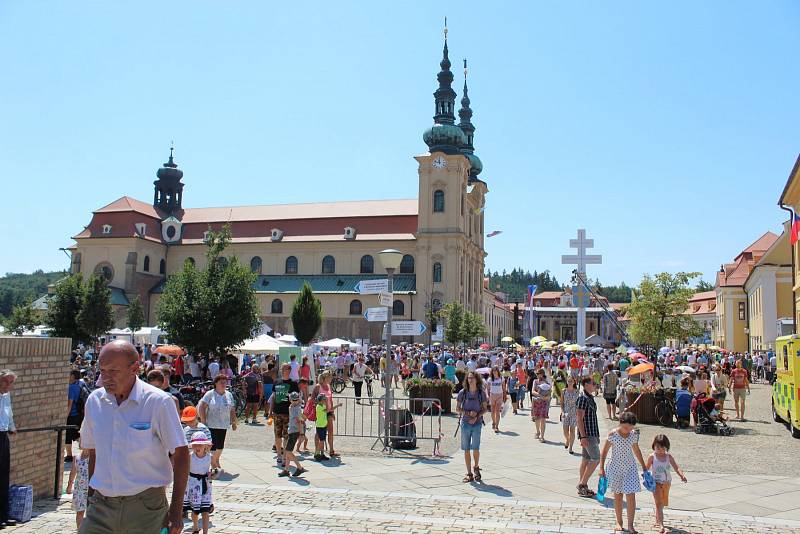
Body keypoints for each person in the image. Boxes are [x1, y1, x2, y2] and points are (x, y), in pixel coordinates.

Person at [78, 341, 188, 534]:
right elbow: (93, 452)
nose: (105, 378)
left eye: (113, 371)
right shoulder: (95, 401)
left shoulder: (158, 402)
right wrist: (90, 497)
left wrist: (176, 510)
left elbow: (181, 453)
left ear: (135, 369)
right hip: (101, 505)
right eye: (102, 371)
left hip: (145, 508)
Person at [598, 411, 648, 534]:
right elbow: (604, 452)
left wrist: (644, 466)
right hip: (615, 469)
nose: (627, 430)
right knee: (618, 496)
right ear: (620, 423)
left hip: (630, 469)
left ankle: (630, 525)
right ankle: (619, 522)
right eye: (625, 427)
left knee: (631, 496)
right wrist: (601, 468)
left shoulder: (633, 435)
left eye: (630, 428)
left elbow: (636, 450)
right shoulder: (613, 435)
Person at [646, 434, 687, 533]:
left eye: (662, 448)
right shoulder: (652, 457)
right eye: (658, 447)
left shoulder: (668, 457)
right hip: (656, 483)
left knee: (661, 502)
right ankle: (661, 525)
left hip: (667, 483)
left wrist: (681, 475)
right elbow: (646, 469)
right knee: (659, 502)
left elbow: (676, 467)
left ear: (667, 447)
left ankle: (657, 519)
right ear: (654, 446)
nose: (660, 450)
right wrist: (646, 478)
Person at [198, 375, 237, 476]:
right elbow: (202, 406)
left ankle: (215, 461)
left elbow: (232, 409)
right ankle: (214, 464)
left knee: (220, 447)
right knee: (212, 447)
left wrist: (233, 422)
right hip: (211, 424)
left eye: (225, 382)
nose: (224, 384)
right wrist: (203, 420)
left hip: (223, 424)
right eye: (221, 382)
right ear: (216, 384)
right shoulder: (210, 394)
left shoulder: (228, 395)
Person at [456, 370, 488, 483]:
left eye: (472, 378)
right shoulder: (462, 393)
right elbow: (457, 408)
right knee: (466, 449)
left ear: (477, 379)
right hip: (465, 423)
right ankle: (469, 473)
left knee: (476, 448)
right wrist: (468, 413)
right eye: (469, 378)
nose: (470, 380)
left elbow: (485, 408)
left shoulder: (481, 393)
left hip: (477, 423)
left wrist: (477, 416)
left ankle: (476, 466)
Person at [269, 364, 300, 466]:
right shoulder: (277, 382)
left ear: (289, 370)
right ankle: (278, 455)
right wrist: (270, 411)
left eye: (285, 369)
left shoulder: (293, 384)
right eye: (282, 368)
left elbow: (297, 399)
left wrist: (297, 414)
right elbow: (273, 397)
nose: (283, 370)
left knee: (286, 436)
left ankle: (284, 456)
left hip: (288, 414)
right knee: (277, 435)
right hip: (277, 413)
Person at [183, 432, 213, 534]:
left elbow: (216, 468)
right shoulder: (190, 456)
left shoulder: (209, 456)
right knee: (195, 511)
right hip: (193, 485)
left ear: (205, 445)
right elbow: (185, 469)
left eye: (200, 444)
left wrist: (214, 473)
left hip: (205, 485)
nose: (197, 447)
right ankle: (195, 527)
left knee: (205, 510)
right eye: (195, 445)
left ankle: (205, 532)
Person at [576, 376, 600, 498]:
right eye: (593, 383)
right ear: (586, 385)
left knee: (586, 459)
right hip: (588, 434)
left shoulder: (589, 397)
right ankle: (582, 484)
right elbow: (579, 418)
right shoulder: (582, 398)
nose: (595, 385)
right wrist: (583, 436)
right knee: (596, 458)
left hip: (592, 433)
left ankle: (582, 487)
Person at [279, 392, 308, 477]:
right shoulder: (292, 407)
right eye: (293, 400)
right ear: (290, 400)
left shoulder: (296, 409)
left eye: (296, 400)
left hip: (294, 432)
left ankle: (299, 467)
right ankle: (286, 470)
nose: (294, 401)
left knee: (288, 451)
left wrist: (301, 433)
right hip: (291, 430)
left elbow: (299, 422)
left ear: (298, 400)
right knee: (288, 452)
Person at [66, 440, 90, 529]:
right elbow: (73, 472)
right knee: (80, 511)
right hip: (79, 489)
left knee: (91, 512)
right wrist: (69, 485)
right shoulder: (77, 457)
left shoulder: (94, 457)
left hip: (91, 489)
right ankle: (79, 529)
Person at [66, 369, 88, 462]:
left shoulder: (71, 387)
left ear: (73, 376)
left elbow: (69, 404)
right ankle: (87, 450)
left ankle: (69, 455)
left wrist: (65, 417)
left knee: (68, 435)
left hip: (73, 415)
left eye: (69, 374)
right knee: (76, 434)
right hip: (80, 413)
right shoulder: (81, 384)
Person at [530, 368, 551, 442]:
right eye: (537, 374)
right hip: (536, 402)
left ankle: (542, 436)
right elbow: (532, 391)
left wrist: (545, 397)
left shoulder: (546, 383)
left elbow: (549, 394)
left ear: (542, 374)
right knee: (537, 419)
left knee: (543, 420)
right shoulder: (535, 381)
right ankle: (538, 431)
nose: (538, 375)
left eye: (539, 374)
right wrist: (540, 395)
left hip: (544, 403)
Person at [561, 376, 579, 454]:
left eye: (571, 381)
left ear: (574, 382)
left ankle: (570, 447)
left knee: (572, 431)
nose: (570, 382)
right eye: (568, 381)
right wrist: (562, 411)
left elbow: (578, 403)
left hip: (574, 412)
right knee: (565, 431)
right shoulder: (563, 391)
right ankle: (568, 440)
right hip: (566, 412)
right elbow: (561, 402)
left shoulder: (576, 391)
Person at [487, 367, 505, 433]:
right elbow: (488, 389)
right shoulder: (490, 379)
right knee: (492, 411)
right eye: (493, 371)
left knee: (497, 411)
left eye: (495, 370)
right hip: (492, 395)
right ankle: (493, 422)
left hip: (500, 395)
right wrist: (488, 396)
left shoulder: (501, 378)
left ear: (498, 371)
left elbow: (503, 387)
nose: (494, 372)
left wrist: (505, 397)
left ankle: (496, 426)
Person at [314, 394, 330, 461]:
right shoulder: (319, 407)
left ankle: (322, 454)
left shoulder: (322, 405)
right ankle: (317, 454)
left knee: (322, 440)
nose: (324, 400)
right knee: (321, 441)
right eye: (323, 399)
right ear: (320, 401)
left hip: (323, 425)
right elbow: (327, 410)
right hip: (320, 426)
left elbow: (327, 410)